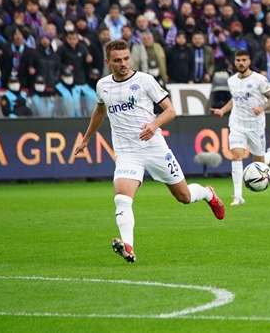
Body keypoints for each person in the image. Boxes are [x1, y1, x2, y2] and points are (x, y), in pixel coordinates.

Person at [73, 40, 225, 264]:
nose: (123, 63)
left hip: (154, 148)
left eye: (126, 58)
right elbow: (100, 110)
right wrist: (86, 138)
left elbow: (170, 111)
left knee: (183, 196)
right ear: (108, 62)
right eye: (117, 60)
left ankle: (208, 193)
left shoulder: (145, 80)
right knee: (122, 198)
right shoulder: (103, 85)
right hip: (127, 153)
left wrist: (153, 126)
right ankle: (128, 246)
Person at [210, 50, 270, 206]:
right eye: (238, 60)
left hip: (255, 126)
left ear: (249, 61)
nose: (241, 63)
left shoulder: (259, 80)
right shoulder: (232, 80)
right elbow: (234, 100)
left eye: (244, 60)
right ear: (235, 62)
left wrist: (261, 108)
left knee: (260, 164)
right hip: (237, 124)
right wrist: (222, 110)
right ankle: (238, 196)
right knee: (236, 155)